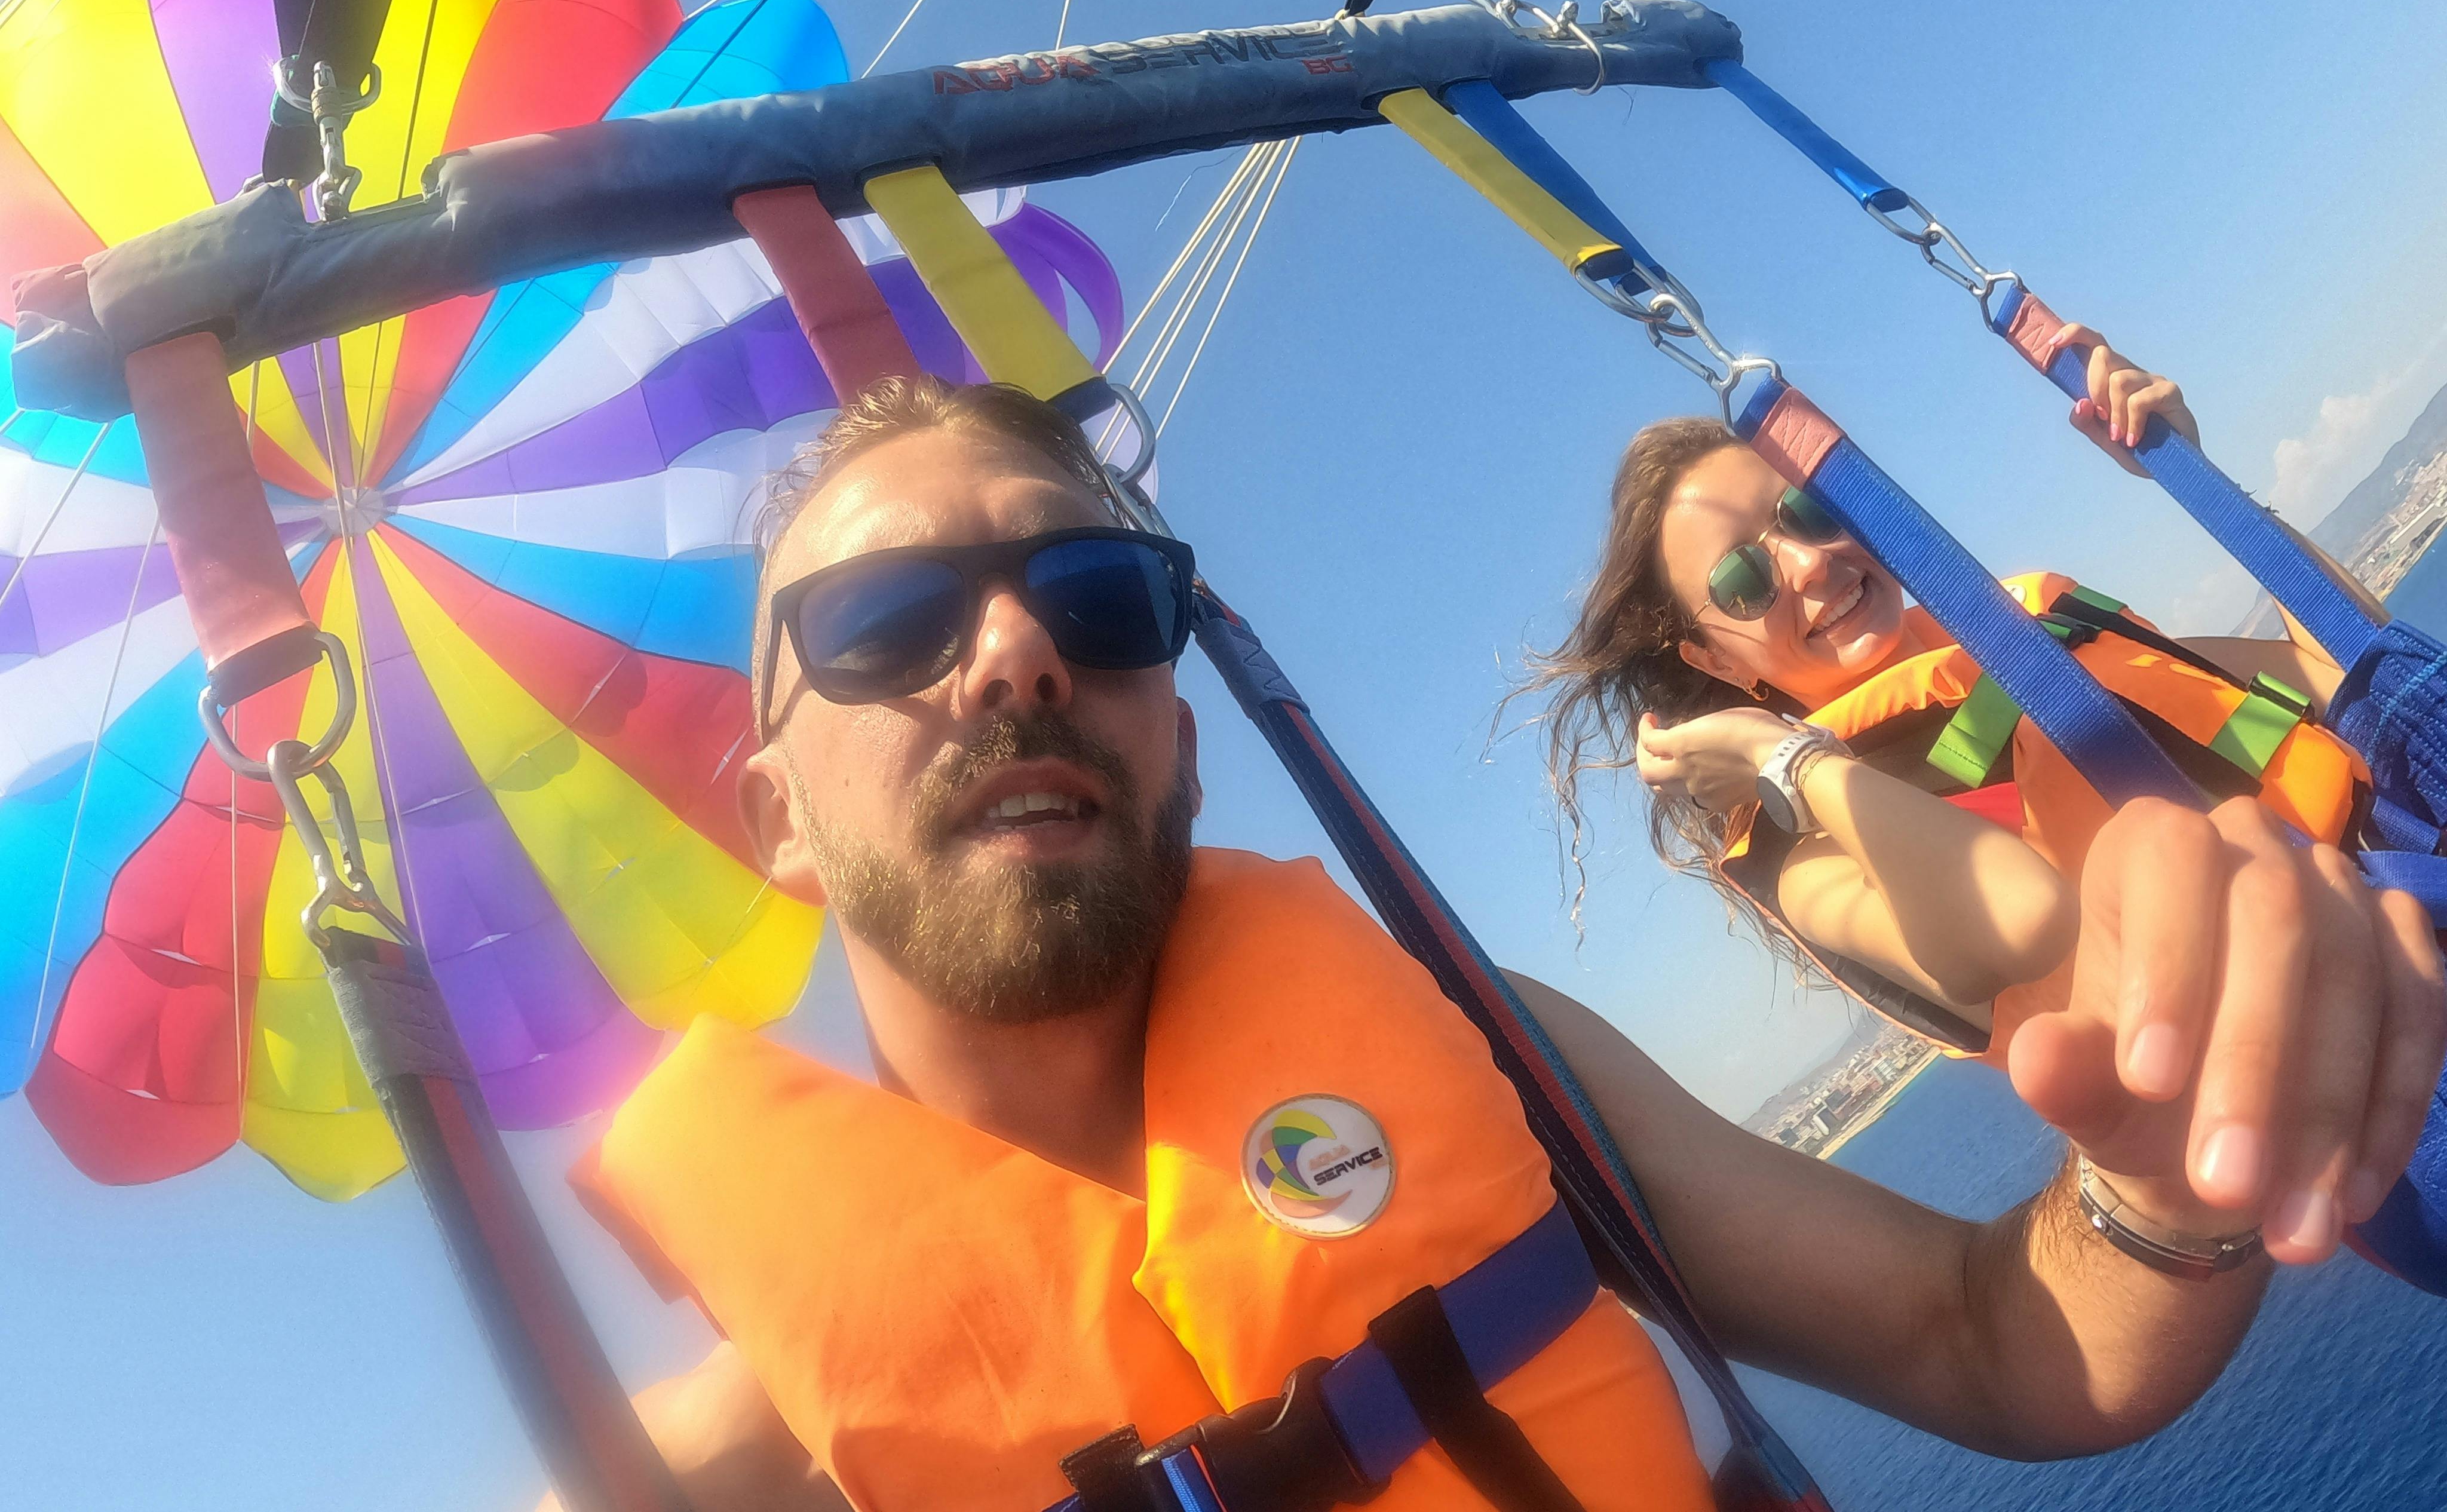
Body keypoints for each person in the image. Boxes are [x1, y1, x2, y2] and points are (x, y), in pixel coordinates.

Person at [550, 375, 2440, 1512]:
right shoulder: (747, 1459)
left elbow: (1997, 1345)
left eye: (1096, 595)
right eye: (886, 623)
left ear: (1181, 735)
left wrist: (2163, 1176)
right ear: (774, 816)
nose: (1018, 654)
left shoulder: (1484, 1049)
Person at [1528, 330, 2397, 1081]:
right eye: (1742, 578)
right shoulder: (1808, 851)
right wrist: (1777, 756)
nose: (1807, 563)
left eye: (1805, 510)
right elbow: (2016, 918)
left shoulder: (2030, 626)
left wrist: (2205, 483)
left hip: (2409, 859)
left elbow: (2335, 675)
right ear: (1712, 657)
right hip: (2352, 1056)